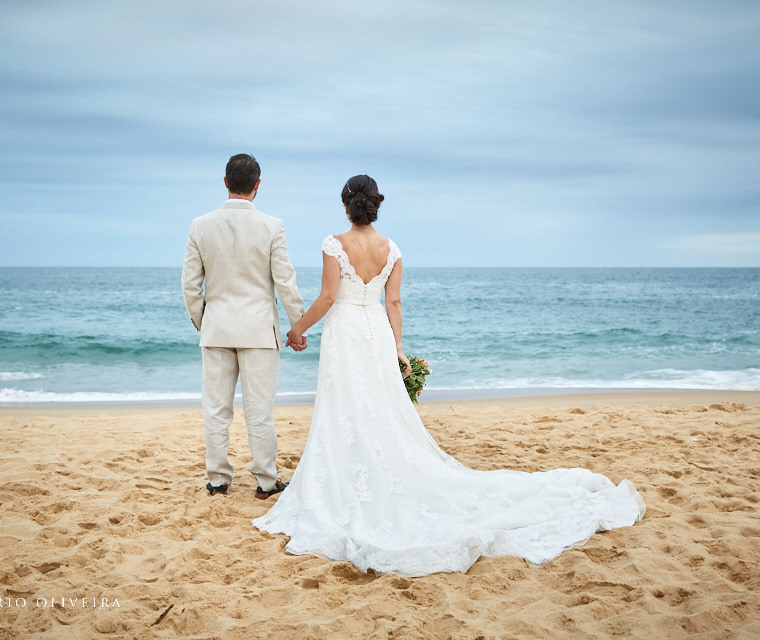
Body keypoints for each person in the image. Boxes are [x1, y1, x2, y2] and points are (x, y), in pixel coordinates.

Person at [253, 174, 646, 577]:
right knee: (381, 408)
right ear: (375, 205)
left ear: (345, 205)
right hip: (375, 336)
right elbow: (394, 302)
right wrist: (398, 348)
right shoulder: (392, 249)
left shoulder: (333, 244)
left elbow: (330, 297)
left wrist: (298, 328)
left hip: (346, 333)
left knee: (346, 408)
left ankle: (351, 480)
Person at [182, 153, 306, 500]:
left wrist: (201, 322)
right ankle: (266, 481)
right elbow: (285, 282)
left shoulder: (199, 225)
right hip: (258, 332)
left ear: (225, 182)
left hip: (217, 328)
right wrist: (297, 326)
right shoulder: (272, 226)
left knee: (216, 410)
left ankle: (218, 479)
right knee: (259, 411)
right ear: (257, 185)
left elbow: (190, 286)